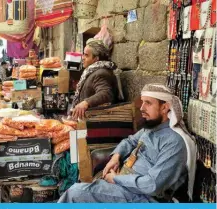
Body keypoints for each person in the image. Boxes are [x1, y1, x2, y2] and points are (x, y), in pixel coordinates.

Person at [58, 83, 196, 203]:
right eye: (142, 102)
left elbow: (153, 185)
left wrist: (117, 179)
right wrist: (116, 156)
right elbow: (130, 141)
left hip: (144, 197)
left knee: (76, 193)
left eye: (148, 103)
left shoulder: (174, 143)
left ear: (164, 107)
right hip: (126, 185)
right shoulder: (151, 128)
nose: (141, 108)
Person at [71, 39, 118, 120]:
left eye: (86, 55)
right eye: (83, 54)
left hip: (96, 122)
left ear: (96, 59)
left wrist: (86, 102)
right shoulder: (91, 72)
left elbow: (106, 93)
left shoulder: (101, 73)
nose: (82, 58)